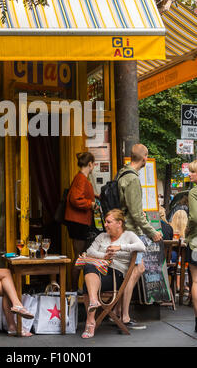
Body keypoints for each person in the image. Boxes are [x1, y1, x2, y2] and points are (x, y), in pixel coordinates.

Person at [81, 209, 146, 338]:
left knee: (87, 283)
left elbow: (141, 247)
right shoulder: (102, 237)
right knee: (89, 267)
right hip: (98, 271)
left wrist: (120, 247)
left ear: (119, 223)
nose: (105, 225)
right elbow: (89, 251)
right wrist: (104, 256)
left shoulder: (129, 236)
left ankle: (90, 322)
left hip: (116, 276)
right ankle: (94, 303)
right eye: (105, 222)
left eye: (108, 222)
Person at [117, 143, 162, 329]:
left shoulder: (121, 174)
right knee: (133, 272)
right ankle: (124, 316)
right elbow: (136, 213)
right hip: (132, 233)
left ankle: (120, 313)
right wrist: (152, 232)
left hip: (124, 231)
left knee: (136, 269)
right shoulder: (133, 179)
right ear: (144, 158)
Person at [64, 152, 99, 291]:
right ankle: (73, 289)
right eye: (93, 164)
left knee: (80, 256)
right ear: (90, 164)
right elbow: (75, 199)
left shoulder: (81, 178)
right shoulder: (81, 179)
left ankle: (75, 288)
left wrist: (94, 196)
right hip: (79, 222)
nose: (94, 167)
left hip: (78, 222)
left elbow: (78, 195)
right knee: (79, 257)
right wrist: (90, 204)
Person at [185, 160, 197, 332]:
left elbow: (194, 217)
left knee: (195, 281)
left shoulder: (194, 192)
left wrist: (188, 230)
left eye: (193, 172)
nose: (190, 174)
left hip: (196, 242)